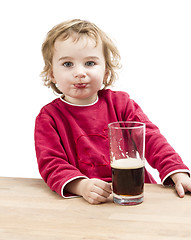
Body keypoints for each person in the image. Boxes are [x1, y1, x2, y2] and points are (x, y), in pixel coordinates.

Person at [35, 19, 191, 204]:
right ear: (52, 73)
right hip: (86, 202)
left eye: (90, 63)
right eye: (68, 64)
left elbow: (150, 138)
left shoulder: (121, 103)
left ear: (106, 71)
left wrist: (177, 171)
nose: (80, 72)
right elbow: (51, 163)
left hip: (134, 193)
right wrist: (81, 186)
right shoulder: (49, 117)